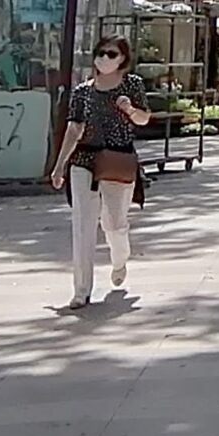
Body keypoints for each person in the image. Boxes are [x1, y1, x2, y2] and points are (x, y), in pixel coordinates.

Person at [46, 38, 156, 308]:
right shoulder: (83, 92)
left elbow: (144, 118)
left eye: (111, 54)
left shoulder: (132, 85)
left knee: (114, 223)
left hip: (117, 158)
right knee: (83, 224)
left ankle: (120, 259)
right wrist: (60, 164)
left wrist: (129, 109)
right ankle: (81, 290)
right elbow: (74, 129)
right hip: (84, 159)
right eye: (100, 53)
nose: (104, 58)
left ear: (122, 59)